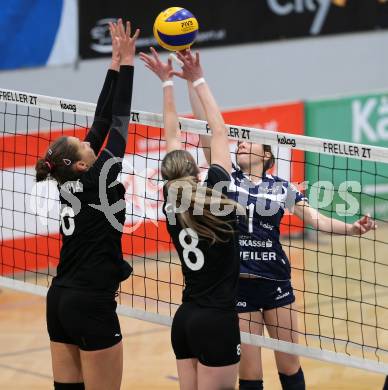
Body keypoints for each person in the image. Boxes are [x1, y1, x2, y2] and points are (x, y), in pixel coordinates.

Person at [187, 76, 377, 390]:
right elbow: (206, 129)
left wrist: (353, 229)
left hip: (275, 280)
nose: (242, 143)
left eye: (249, 141)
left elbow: (318, 220)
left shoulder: (281, 187)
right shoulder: (225, 179)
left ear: (267, 156)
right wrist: (194, 79)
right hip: (238, 285)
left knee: (289, 368)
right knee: (250, 375)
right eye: (240, 141)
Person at [35, 20, 139, 390]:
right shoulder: (99, 178)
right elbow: (120, 121)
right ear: (81, 163)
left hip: (59, 298)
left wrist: (113, 64)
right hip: (90, 302)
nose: (89, 141)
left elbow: (101, 119)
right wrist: (129, 64)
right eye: (84, 145)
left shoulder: (70, 179)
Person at [139, 48, 242, 390]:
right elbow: (220, 131)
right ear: (197, 172)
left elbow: (173, 137)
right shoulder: (219, 199)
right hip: (217, 321)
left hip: (185, 320)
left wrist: (168, 83)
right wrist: (195, 77)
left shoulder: (172, 203)